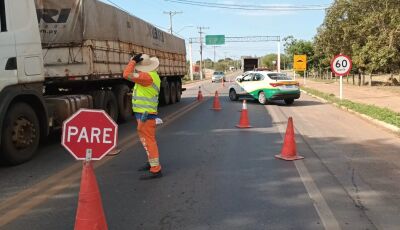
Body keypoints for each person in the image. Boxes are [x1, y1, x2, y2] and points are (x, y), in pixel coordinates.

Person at [123, 53, 162, 180]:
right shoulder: (151, 76)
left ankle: (156, 169)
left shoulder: (146, 77)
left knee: (149, 141)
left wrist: (133, 62)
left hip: (146, 114)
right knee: (146, 140)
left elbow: (126, 74)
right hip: (143, 113)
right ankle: (151, 162)